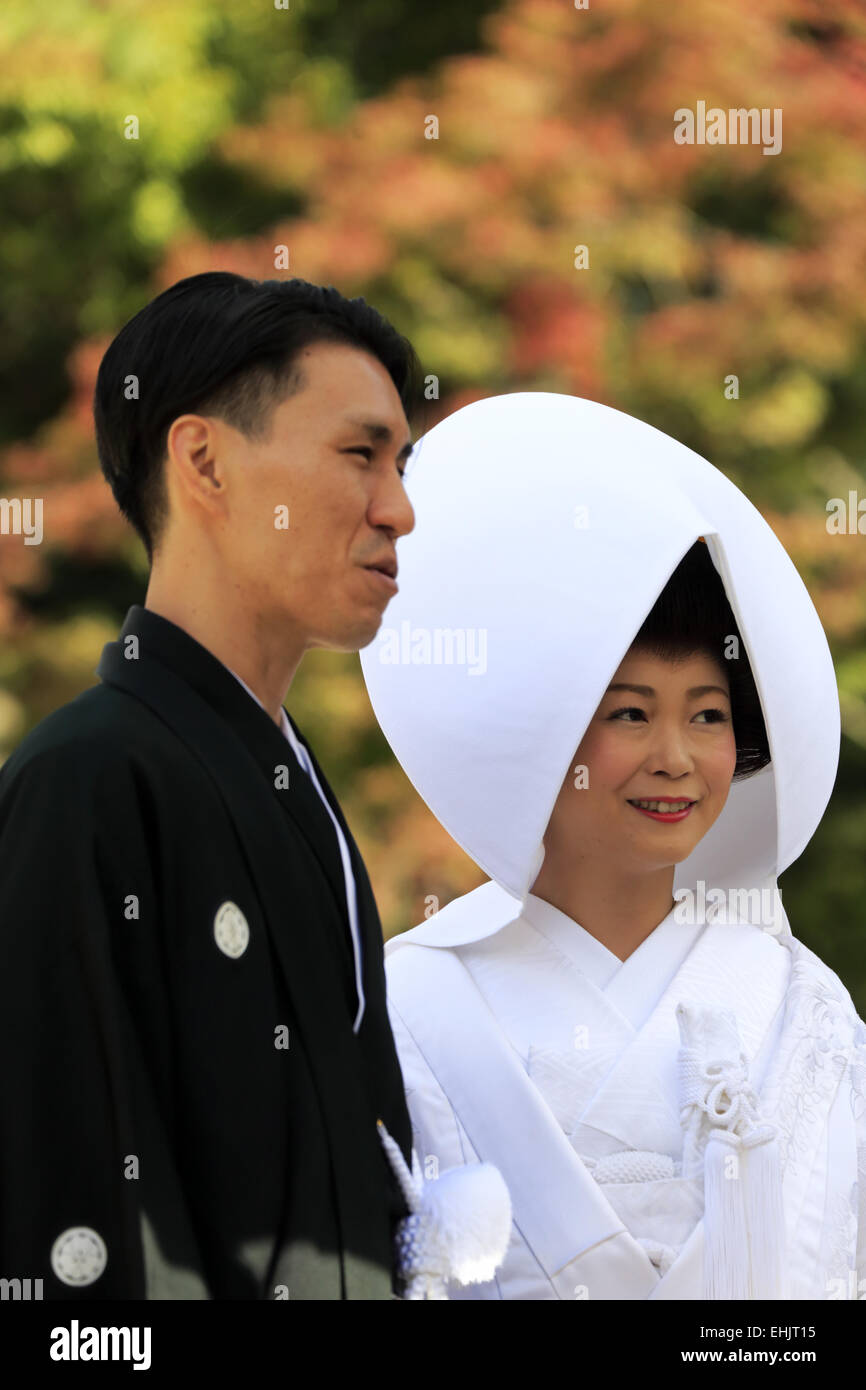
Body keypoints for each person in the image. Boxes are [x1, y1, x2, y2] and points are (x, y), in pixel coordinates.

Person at [0, 271, 511, 1301]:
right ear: (203, 461)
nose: (400, 510)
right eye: (359, 453)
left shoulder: (297, 787)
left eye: (400, 465)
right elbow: (76, 1228)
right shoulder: (86, 780)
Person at [360, 390, 866, 1300]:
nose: (675, 758)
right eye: (629, 713)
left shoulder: (804, 1008)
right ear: (544, 733)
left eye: (708, 715)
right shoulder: (409, 1005)